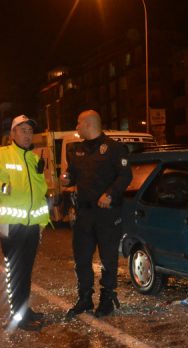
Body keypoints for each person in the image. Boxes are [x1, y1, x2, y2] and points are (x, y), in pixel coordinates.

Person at [0, 115, 50, 331]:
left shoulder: (34, 158)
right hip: (11, 223)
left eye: (30, 131)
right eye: (23, 130)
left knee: (26, 270)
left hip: (32, 224)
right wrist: (2, 187)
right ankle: (18, 315)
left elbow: (39, 192)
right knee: (16, 270)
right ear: (13, 134)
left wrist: (43, 220)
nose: (28, 134)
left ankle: (25, 309)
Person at [65, 110, 132, 319]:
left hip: (107, 213)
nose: (76, 128)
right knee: (82, 258)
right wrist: (67, 179)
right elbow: (73, 176)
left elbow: (125, 175)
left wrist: (110, 194)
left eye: (78, 123)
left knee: (108, 258)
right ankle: (85, 298)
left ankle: (107, 298)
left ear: (88, 124)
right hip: (84, 213)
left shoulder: (113, 149)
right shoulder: (76, 150)